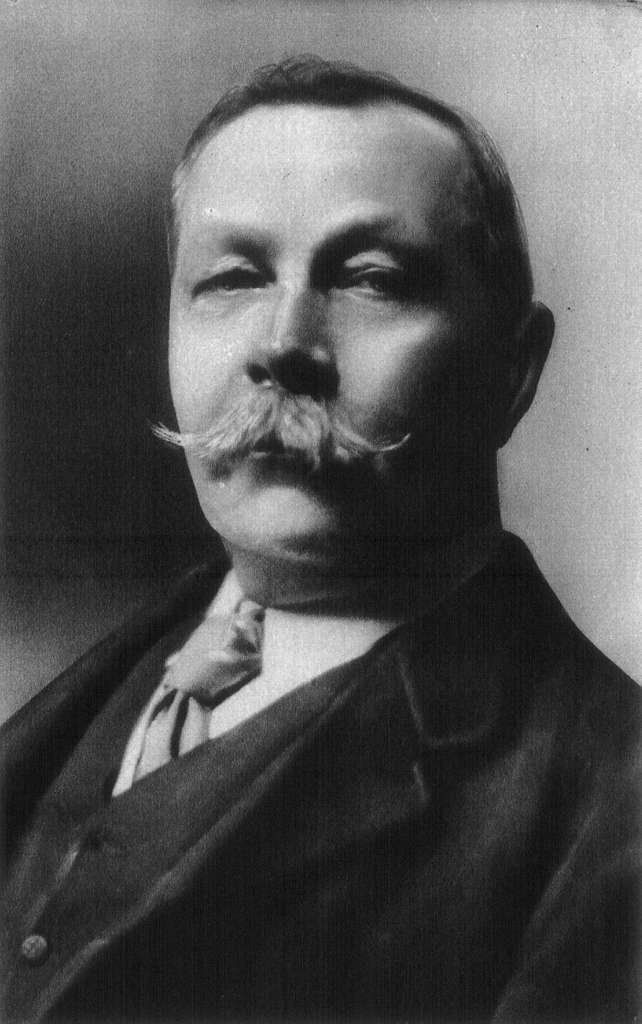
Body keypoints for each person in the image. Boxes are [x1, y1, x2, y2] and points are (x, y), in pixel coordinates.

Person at [1, 57, 639, 1023]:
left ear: (513, 371)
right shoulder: (100, 685)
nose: (283, 343)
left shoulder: (611, 803)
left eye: (372, 279)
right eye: (231, 278)